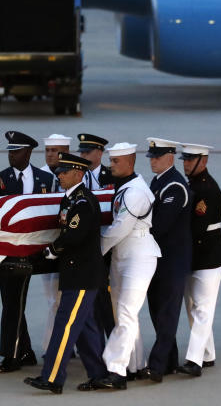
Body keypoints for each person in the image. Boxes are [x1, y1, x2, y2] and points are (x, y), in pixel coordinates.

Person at [24, 153, 108, 394]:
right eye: (59, 171)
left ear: (79, 174)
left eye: (64, 171)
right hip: (74, 272)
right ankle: (98, 374)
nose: (59, 175)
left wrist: (50, 251)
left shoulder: (83, 201)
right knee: (84, 327)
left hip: (82, 275)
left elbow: (73, 236)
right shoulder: (69, 199)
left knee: (65, 325)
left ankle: (52, 378)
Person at [85, 143, 160, 391]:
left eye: (116, 162)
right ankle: (135, 365)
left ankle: (115, 371)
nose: (111, 165)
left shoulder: (136, 192)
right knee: (124, 315)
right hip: (122, 256)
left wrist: (94, 252)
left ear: (129, 162)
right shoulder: (126, 188)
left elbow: (120, 228)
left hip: (139, 255)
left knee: (126, 313)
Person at [0, 131, 57, 373]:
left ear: (29, 152)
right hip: (7, 251)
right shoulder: (0, 179)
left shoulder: (46, 179)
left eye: (16, 151)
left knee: (13, 300)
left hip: (36, 251)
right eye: (10, 151)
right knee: (11, 300)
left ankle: (14, 355)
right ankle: (22, 351)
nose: (11, 155)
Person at [140, 137, 192, 383]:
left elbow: (160, 225)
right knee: (157, 311)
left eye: (157, 156)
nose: (152, 160)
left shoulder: (175, 186)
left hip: (172, 261)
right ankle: (170, 360)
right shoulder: (159, 182)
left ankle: (157, 366)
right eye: (151, 156)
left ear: (170, 158)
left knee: (167, 313)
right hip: (158, 259)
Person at [175, 143, 221, 377]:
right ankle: (207, 354)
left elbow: (198, 228)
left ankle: (194, 360)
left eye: (190, 160)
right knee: (194, 306)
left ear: (203, 162)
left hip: (209, 256)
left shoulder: (208, 190)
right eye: (184, 159)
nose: (185, 163)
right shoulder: (192, 184)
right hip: (193, 254)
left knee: (203, 308)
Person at [76, 133, 117, 341]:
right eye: (81, 151)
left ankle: (111, 340)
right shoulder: (76, 177)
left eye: (88, 151)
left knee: (107, 299)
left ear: (100, 152)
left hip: (108, 247)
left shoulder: (113, 176)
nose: (83, 155)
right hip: (85, 246)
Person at [37, 133, 72, 356]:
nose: (50, 154)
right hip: (46, 244)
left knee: (60, 298)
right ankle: (60, 343)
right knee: (51, 297)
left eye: (55, 150)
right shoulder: (39, 174)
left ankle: (53, 345)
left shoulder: (76, 175)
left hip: (67, 244)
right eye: (48, 150)